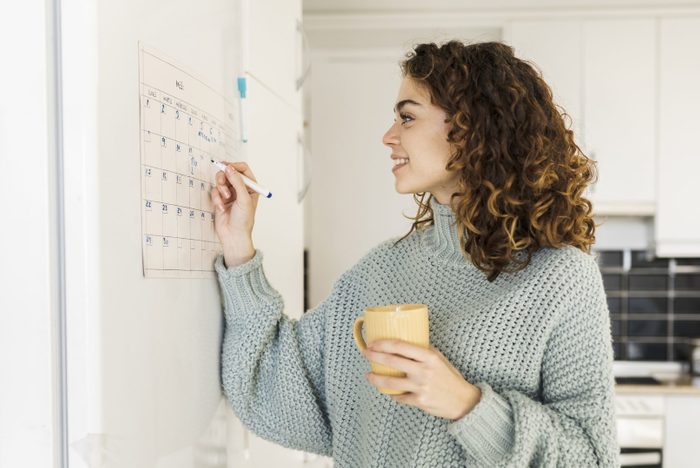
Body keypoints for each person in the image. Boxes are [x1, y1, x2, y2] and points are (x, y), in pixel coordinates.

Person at [209, 40, 619, 467]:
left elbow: (592, 458)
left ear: (473, 128)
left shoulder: (562, 278)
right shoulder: (380, 270)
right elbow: (273, 387)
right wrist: (239, 248)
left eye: (407, 117)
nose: (388, 137)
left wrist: (469, 405)